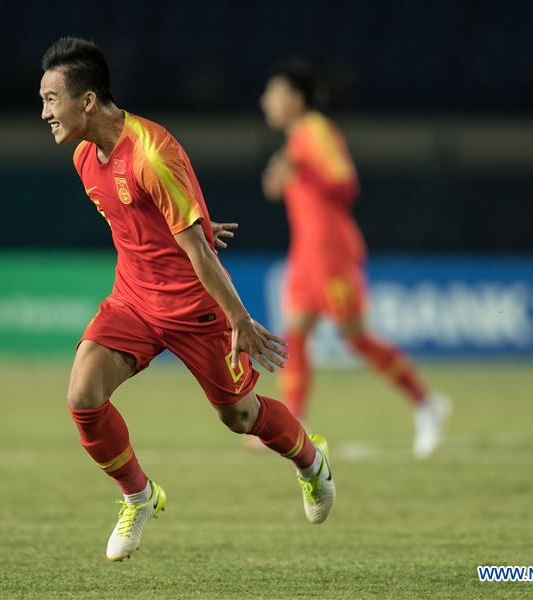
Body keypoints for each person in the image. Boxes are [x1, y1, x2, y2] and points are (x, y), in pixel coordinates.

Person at [39, 37, 335, 562]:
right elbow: (140, 221)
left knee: (240, 417)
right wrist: (184, 221)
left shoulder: (153, 153)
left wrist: (238, 319)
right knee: (83, 394)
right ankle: (139, 495)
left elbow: (199, 255)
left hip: (196, 309)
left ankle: (312, 462)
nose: (45, 113)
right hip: (133, 299)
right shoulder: (86, 157)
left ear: (86, 100)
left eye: (50, 99)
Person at [259, 63, 450, 458]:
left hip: (332, 253)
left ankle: (426, 404)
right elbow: (288, 186)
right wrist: (283, 176)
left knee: (356, 337)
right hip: (308, 253)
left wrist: (300, 172)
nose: (266, 101)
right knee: (293, 336)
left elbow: (345, 184)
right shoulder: (297, 139)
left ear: (296, 99)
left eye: (273, 93)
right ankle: (296, 423)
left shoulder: (315, 130)